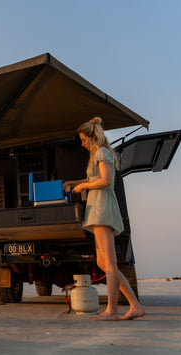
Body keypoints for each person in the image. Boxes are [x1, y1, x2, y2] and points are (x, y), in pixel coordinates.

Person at [64, 116, 145, 321]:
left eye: (84, 139)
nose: (82, 143)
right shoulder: (97, 154)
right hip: (97, 208)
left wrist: (82, 187)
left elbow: (106, 180)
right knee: (104, 262)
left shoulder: (101, 152)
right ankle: (135, 306)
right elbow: (95, 178)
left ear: (93, 137)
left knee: (109, 263)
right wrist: (75, 182)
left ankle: (112, 311)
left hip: (102, 208)